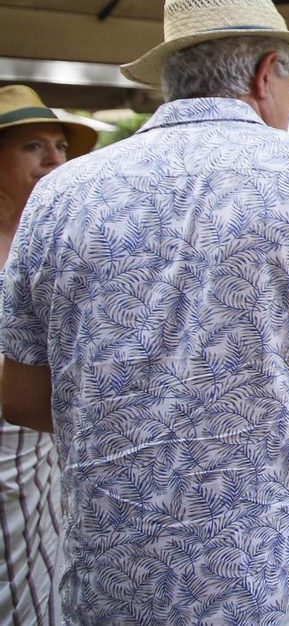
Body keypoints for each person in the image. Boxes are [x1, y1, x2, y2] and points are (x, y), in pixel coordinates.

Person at [0, 0, 289, 625]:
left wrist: (141, 420)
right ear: (265, 75)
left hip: (112, 569)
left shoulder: (60, 195)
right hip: (268, 565)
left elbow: (21, 397)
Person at [0, 87, 96, 626]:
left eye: (59, 145)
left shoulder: (54, 236)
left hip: (46, 448)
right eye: (32, 146)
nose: (54, 160)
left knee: (42, 589)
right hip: (10, 443)